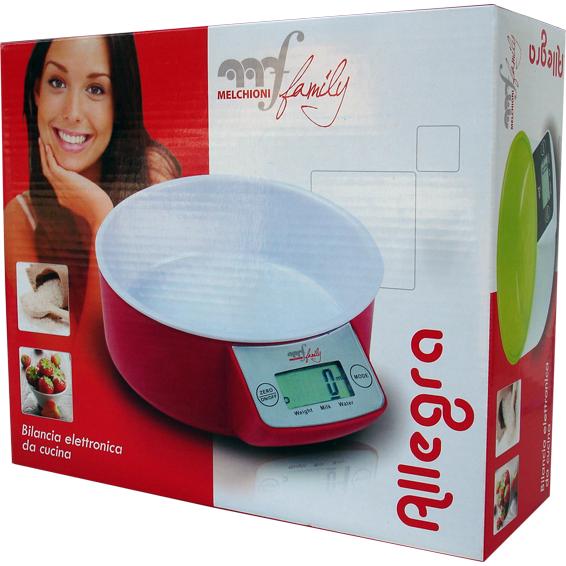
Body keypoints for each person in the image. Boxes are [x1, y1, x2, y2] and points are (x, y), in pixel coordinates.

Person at [5, 34, 181, 323]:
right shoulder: (22, 217)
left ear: (118, 105)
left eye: (96, 89)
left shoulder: (151, 174)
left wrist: (100, 214)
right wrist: (100, 214)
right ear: (37, 92)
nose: (72, 113)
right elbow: (64, 348)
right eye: (57, 82)